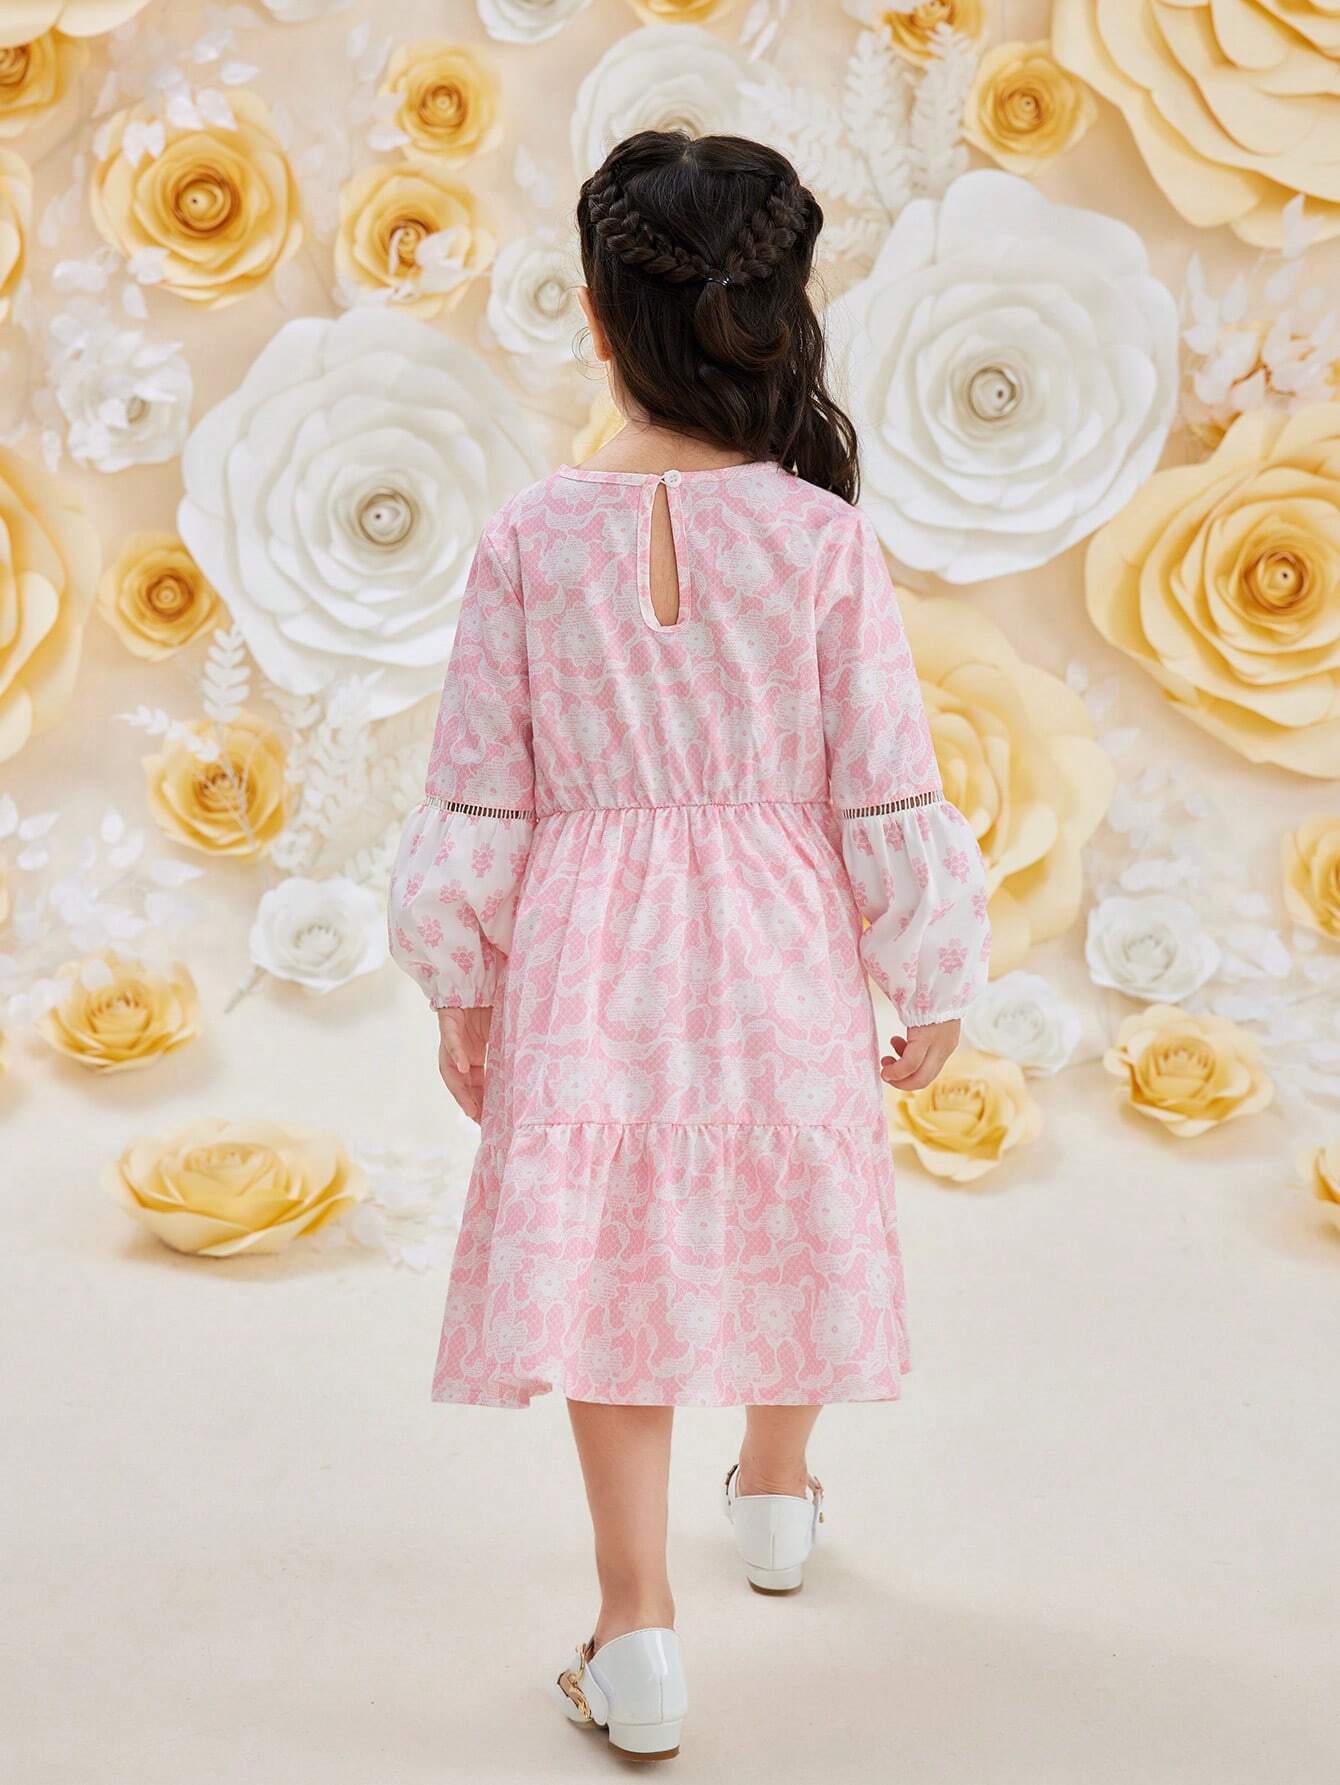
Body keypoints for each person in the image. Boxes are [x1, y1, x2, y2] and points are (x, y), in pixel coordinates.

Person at [386, 128, 991, 1763]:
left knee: (612, 1260)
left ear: (597, 317)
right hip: (778, 926)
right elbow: (883, 782)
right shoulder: (821, 540)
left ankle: (637, 1621)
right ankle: (777, 1492)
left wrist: (463, 986)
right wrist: (930, 966)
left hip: (587, 942)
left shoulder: (530, 539)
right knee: (790, 1186)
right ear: (777, 311)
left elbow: (479, 792)